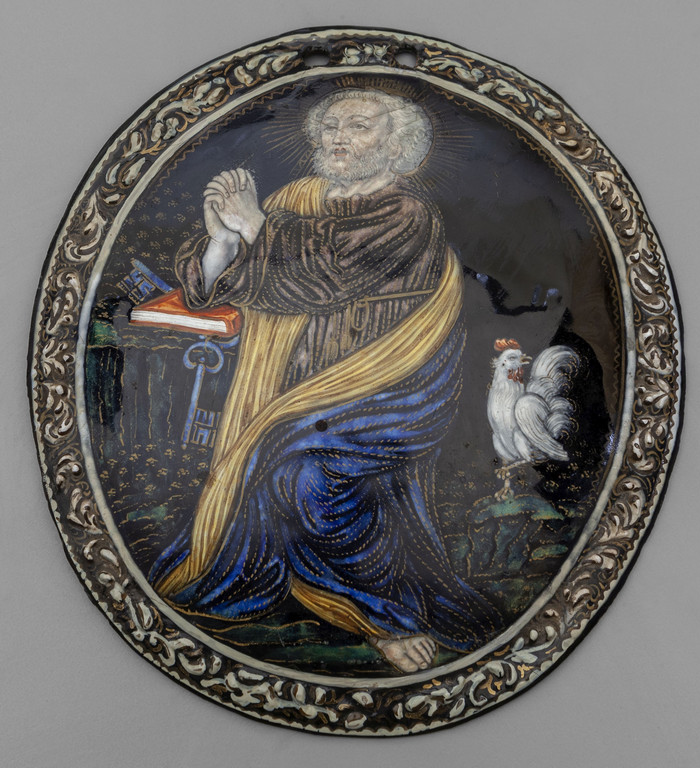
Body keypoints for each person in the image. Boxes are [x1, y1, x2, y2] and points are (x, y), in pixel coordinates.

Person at [150, 88, 501, 672]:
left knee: (309, 479)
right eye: (331, 126)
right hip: (299, 392)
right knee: (276, 462)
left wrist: (254, 224)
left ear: (399, 148)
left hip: (388, 393)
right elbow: (250, 284)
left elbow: (322, 277)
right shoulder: (295, 202)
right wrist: (223, 240)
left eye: (358, 126)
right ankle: (310, 593)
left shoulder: (407, 214)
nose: (338, 137)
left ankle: (386, 616)